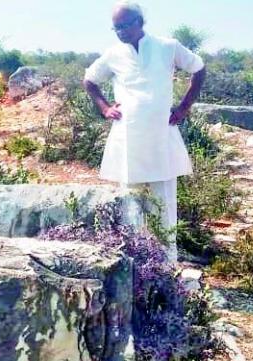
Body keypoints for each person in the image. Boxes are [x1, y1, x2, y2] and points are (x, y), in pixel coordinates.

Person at [83, 1, 206, 261]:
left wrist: (184, 107)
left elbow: (198, 68)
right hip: (129, 139)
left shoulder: (167, 46)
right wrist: (104, 107)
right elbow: (90, 80)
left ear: (140, 22)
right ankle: (135, 262)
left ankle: (167, 265)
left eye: (125, 26)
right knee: (130, 202)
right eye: (115, 28)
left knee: (164, 205)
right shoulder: (113, 54)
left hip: (161, 136)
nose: (120, 32)